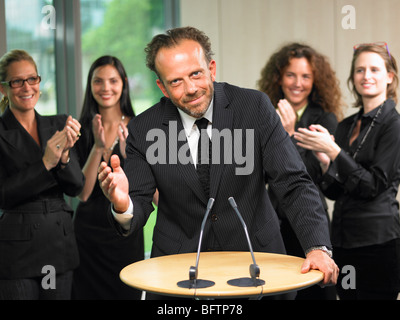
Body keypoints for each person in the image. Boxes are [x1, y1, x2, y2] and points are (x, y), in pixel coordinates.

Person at [98, 26, 339, 300]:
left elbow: (294, 183)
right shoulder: (144, 128)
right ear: (161, 87)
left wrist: (318, 247)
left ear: (211, 69)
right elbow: (138, 204)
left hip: (256, 266)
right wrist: (122, 204)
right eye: (176, 82)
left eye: (196, 74)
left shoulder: (255, 108)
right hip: (176, 274)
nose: (191, 89)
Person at [294, 42, 400, 300]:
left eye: (375, 69)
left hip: (378, 243)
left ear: (389, 77)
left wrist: (334, 152)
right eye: (360, 70)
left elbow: (372, 185)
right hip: (341, 240)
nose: (367, 76)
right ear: (353, 77)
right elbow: (333, 191)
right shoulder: (345, 125)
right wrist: (325, 161)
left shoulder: (393, 125)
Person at [257, 43, 343, 299]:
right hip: (274, 223)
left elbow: (310, 175)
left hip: (310, 223)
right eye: (291, 75)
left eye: (305, 76)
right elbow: (260, 172)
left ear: (315, 80)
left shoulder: (325, 119)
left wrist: (289, 134)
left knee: (315, 294)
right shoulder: (264, 114)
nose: (298, 83)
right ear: (279, 78)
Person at [0, 49, 84, 300]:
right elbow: (3, 195)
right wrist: (46, 162)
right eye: (17, 81)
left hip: (58, 244)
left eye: (32, 79)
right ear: (4, 88)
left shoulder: (58, 124)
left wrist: (65, 158)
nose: (26, 87)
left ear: (39, 81)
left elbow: (76, 186)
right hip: (18, 252)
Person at [72, 56, 144, 300]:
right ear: (90, 85)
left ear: (123, 83)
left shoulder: (139, 128)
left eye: (113, 81)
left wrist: (127, 155)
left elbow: (148, 191)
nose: (106, 88)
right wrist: (98, 147)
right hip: (87, 236)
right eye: (98, 81)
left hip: (123, 235)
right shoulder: (79, 129)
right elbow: (82, 192)